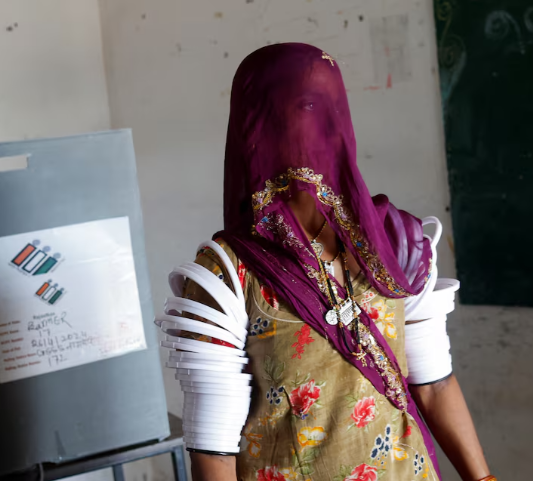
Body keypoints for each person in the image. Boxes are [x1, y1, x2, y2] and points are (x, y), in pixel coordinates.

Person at [159, 43, 494, 481]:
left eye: (321, 106)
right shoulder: (228, 274)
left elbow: (435, 383)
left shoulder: (396, 243)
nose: (306, 124)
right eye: (289, 109)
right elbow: (213, 450)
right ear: (250, 128)